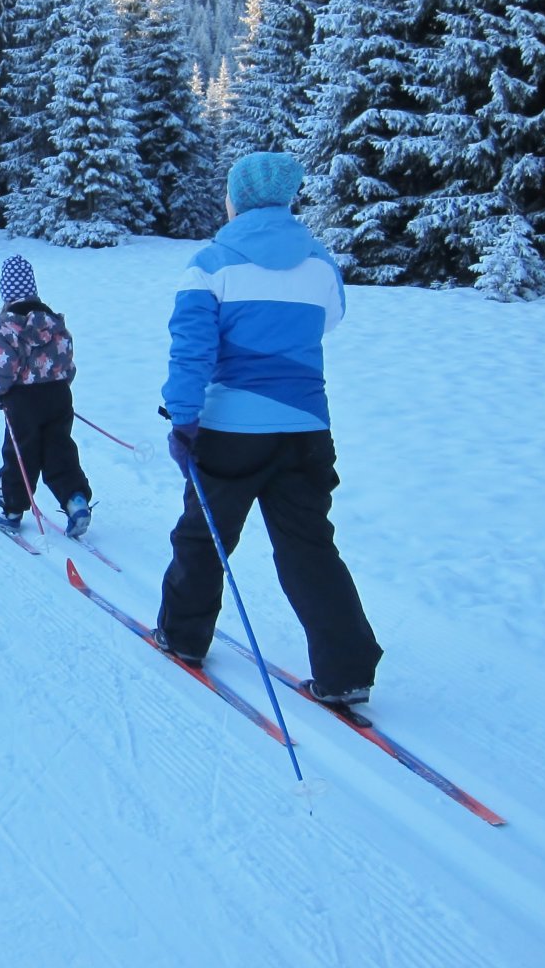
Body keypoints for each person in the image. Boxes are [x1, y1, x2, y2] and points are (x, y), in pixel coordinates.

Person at [153, 151, 382, 708]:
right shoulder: (319, 263)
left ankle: (183, 636)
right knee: (309, 547)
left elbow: (192, 350)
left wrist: (183, 421)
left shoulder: (210, 263)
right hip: (306, 427)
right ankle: (347, 669)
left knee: (203, 537)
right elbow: (330, 320)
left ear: (237, 199)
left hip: (230, 429)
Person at [0, 255, 92, 538]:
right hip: (58, 396)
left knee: (21, 453)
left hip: (22, 402)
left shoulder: (7, 329)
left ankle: (12, 511)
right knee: (59, 448)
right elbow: (67, 360)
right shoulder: (54, 324)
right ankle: (76, 500)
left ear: (6, 294)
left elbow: (5, 369)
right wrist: (60, 384)